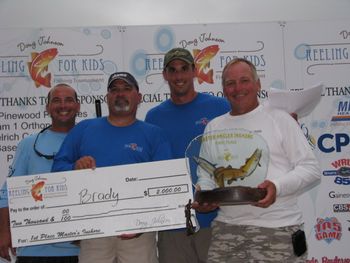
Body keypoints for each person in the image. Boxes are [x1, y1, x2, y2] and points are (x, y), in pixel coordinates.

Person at [194, 58, 321, 262]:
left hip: (278, 229)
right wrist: (205, 196)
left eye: (244, 80)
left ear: (258, 83)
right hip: (227, 230)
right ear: (223, 89)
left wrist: (277, 187)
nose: (238, 88)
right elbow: (207, 174)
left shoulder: (281, 119)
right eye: (230, 83)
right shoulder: (214, 126)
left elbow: (310, 169)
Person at [51, 72, 172, 263]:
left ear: (138, 97)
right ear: (107, 97)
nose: (120, 94)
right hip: (93, 231)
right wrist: (75, 167)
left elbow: (165, 182)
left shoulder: (154, 134)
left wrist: (142, 223)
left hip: (138, 234)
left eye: (126, 89)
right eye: (114, 90)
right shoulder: (84, 129)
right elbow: (57, 170)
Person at [145, 48, 230, 263]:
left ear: (194, 71)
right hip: (173, 224)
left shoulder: (220, 107)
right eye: (172, 70)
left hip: (217, 220)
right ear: (165, 75)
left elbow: (235, 154)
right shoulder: (153, 117)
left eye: (184, 69)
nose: (179, 76)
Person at [0, 83, 81, 263]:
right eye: (56, 100)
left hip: (83, 251)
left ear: (78, 106)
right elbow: (8, 193)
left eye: (69, 100)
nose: (63, 106)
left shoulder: (90, 141)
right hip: (34, 249)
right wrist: (4, 232)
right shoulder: (29, 144)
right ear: (47, 107)